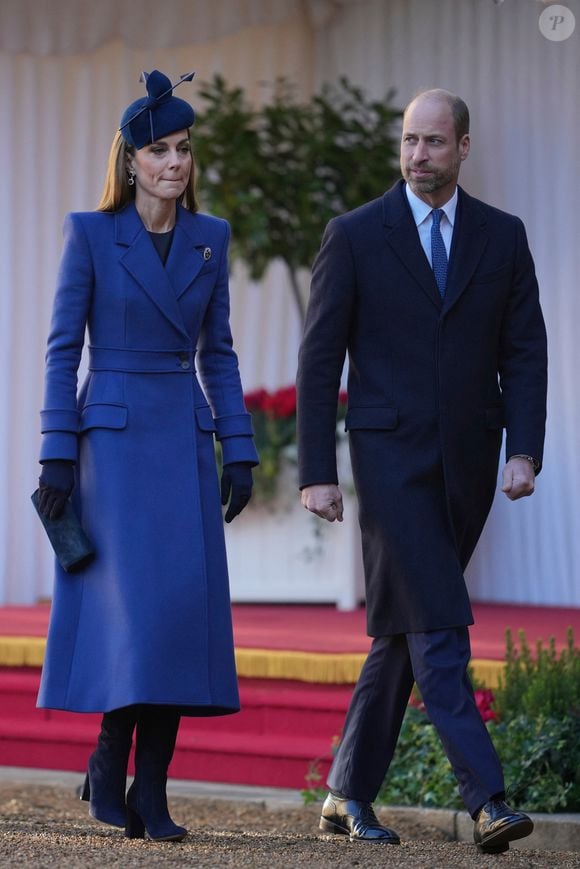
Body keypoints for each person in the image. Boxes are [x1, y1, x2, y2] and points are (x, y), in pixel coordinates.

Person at [297, 89, 547, 855]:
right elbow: (317, 360)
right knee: (438, 622)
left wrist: (524, 449)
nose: (417, 156)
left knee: (403, 635)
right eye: (409, 141)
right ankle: (488, 798)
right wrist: (316, 470)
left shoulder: (503, 237)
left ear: (463, 147)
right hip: (388, 460)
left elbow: (525, 352)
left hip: (470, 466)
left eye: (434, 142)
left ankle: (345, 793)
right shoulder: (354, 235)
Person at [35, 69, 258, 842]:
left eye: (184, 150)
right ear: (131, 159)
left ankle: (151, 787)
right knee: (135, 617)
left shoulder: (211, 239)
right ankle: (108, 754)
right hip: (113, 450)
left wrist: (241, 447)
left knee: (175, 619)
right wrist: (56, 452)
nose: (174, 162)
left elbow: (220, 353)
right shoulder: (92, 234)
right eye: (159, 150)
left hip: (184, 442)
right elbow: (63, 351)